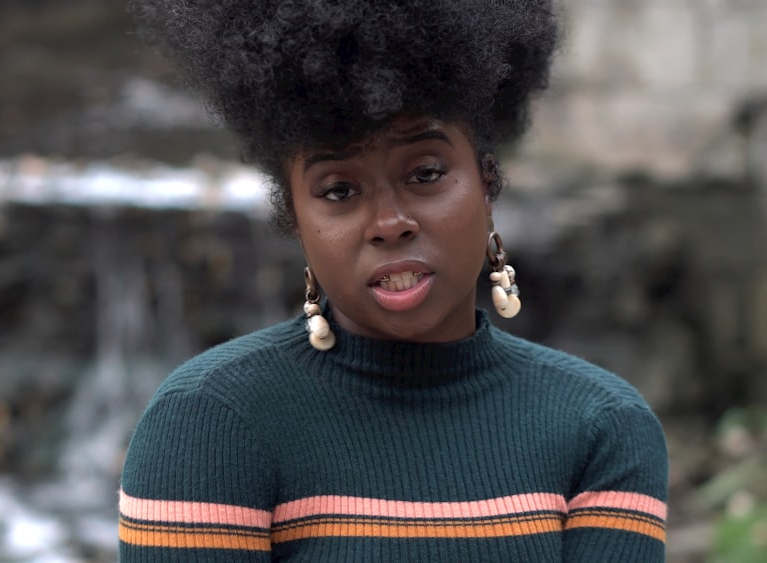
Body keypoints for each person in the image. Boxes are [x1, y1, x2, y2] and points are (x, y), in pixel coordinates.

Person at [119, 0, 669, 561]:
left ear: (487, 184)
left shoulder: (602, 428)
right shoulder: (207, 421)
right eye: (338, 190)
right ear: (294, 218)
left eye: (425, 173)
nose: (389, 224)